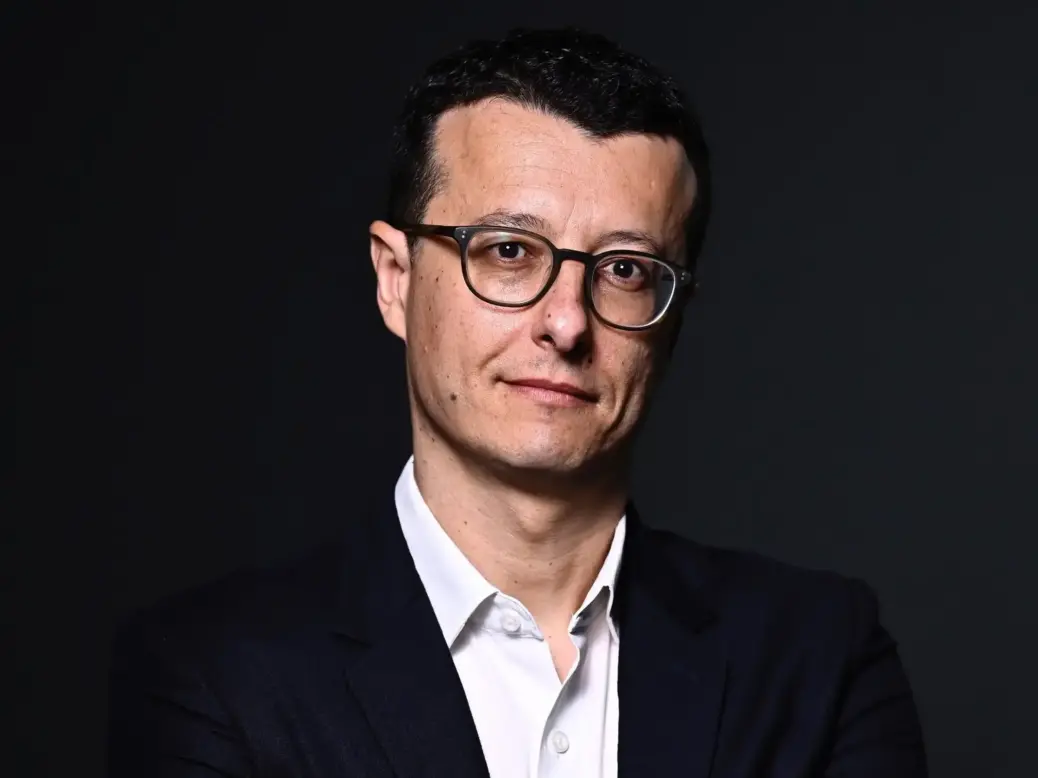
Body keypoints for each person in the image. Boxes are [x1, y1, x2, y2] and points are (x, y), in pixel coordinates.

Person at [106, 27, 927, 778]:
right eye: (507, 252)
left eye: (626, 269)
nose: (566, 322)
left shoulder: (818, 657)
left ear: (673, 320)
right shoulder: (214, 673)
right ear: (396, 281)